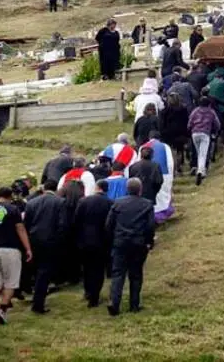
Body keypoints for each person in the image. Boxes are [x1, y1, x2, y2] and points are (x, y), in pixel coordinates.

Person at [0, 187, 33, 325]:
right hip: (10, 250)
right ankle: (2, 310)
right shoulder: (13, 209)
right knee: (10, 282)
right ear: (9, 197)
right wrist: (28, 248)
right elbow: (20, 229)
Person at [106, 178, 155, 316]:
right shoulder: (147, 204)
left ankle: (114, 303)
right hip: (138, 243)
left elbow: (109, 224)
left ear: (127, 189)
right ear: (140, 189)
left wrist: (112, 240)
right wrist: (149, 241)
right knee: (136, 274)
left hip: (120, 242)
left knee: (118, 274)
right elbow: (150, 226)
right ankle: (134, 304)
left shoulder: (118, 203)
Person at [24, 180, 65, 314]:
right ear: (56, 189)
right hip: (50, 241)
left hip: (33, 240)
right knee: (44, 272)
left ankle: (34, 293)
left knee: (36, 270)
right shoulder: (60, 202)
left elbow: (27, 223)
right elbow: (62, 224)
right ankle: (38, 303)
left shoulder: (31, 203)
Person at [74, 180, 113, 307]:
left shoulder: (83, 201)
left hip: (84, 240)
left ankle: (88, 291)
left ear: (97, 187)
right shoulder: (110, 203)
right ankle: (94, 297)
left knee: (87, 267)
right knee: (98, 269)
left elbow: (76, 220)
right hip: (102, 241)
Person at [137, 132, 175, 223]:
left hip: (145, 175)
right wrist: (171, 175)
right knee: (162, 197)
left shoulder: (142, 147)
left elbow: (138, 161)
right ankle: (161, 215)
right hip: (163, 173)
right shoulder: (165, 146)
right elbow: (170, 163)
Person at [188, 97, 221, 185]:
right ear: (209, 104)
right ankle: (201, 171)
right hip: (205, 133)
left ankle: (201, 169)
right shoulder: (211, 112)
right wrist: (215, 131)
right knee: (203, 154)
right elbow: (217, 124)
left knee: (199, 153)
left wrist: (190, 129)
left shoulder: (195, 111)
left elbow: (190, 122)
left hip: (195, 133)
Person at [159, 93, 190, 174]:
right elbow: (186, 121)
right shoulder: (183, 110)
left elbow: (161, 124)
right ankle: (178, 167)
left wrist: (162, 132)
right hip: (180, 133)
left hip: (168, 134)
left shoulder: (164, 111)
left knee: (171, 152)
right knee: (180, 151)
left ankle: (173, 168)